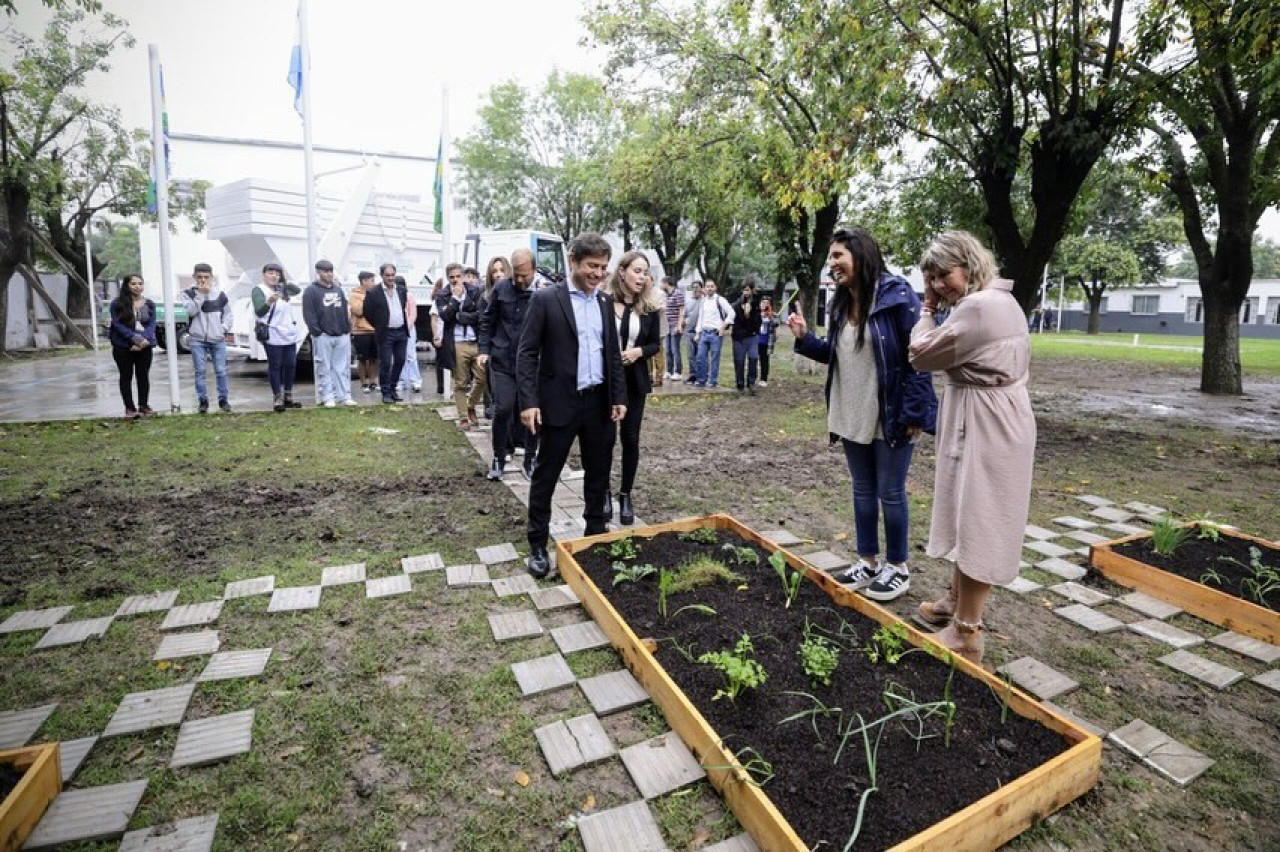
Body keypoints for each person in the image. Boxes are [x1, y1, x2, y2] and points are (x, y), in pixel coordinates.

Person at [788, 227, 937, 603]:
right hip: (851, 409)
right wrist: (806, 338)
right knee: (862, 490)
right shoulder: (841, 301)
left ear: (861, 255)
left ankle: (898, 568)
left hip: (888, 412)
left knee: (890, 491)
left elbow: (918, 357)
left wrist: (915, 411)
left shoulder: (897, 294)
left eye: (839, 256)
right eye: (831, 257)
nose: (833, 264)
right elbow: (840, 355)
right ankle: (868, 561)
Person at [909, 231, 1035, 664]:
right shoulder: (989, 302)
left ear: (969, 264)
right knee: (968, 510)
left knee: (981, 518)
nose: (939, 285)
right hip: (986, 415)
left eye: (944, 274)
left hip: (989, 423)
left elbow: (921, 354)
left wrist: (926, 310)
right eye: (932, 278)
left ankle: (967, 632)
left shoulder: (981, 307)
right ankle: (956, 599)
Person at [517, 233, 627, 578]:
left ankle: (594, 537)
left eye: (603, 268)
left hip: (598, 404)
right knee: (546, 475)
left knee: (598, 474)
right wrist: (529, 402)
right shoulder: (547, 300)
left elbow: (612, 352)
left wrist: (618, 396)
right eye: (592, 266)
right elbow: (527, 353)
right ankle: (537, 543)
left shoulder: (605, 303)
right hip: (559, 403)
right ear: (574, 262)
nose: (598, 274)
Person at [601, 251, 661, 526]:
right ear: (622, 271)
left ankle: (625, 494)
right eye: (637, 270)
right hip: (606, 380)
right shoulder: (602, 302)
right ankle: (603, 491)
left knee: (631, 438)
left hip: (634, 379)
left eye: (645, 272)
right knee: (603, 439)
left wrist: (638, 352)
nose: (642, 276)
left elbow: (655, 345)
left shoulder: (648, 307)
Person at [479, 248, 539, 481]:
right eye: (516, 275)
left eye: (524, 275)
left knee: (533, 411)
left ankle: (530, 458)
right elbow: (487, 320)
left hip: (532, 364)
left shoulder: (543, 293)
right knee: (503, 409)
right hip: (503, 360)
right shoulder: (502, 288)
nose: (520, 280)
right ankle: (498, 455)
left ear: (533, 269)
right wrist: (484, 349)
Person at [437, 263, 487, 427]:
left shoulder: (474, 291)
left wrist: (460, 316)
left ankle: (471, 405)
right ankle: (463, 416)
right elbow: (445, 316)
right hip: (457, 342)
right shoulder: (443, 294)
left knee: (482, 378)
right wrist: (455, 299)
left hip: (475, 340)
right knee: (461, 382)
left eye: (458, 276)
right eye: (452, 277)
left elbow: (480, 315)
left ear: (463, 276)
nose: (455, 280)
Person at [180, 262, 233, 413]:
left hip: (217, 339)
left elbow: (228, 315)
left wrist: (222, 329)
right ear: (194, 277)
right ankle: (203, 401)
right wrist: (201, 295)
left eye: (206, 277)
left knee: (221, 370)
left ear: (211, 277)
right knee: (200, 371)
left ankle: (223, 400)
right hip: (197, 339)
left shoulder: (220, 294)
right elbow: (191, 311)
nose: (203, 280)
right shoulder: (188, 293)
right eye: (199, 277)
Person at [303, 259, 355, 407]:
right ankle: (327, 396)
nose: (329, 274)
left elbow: (345, 309)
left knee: (342, 367)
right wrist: (317, 332)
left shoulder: (338, 289)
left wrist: (346, 329)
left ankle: (343, 395)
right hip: (323, 335)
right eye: (325, 271)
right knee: (324, 367)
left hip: (341, 333)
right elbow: (308, 314)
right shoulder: (311, 291)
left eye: (331, 271)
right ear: (318, 272)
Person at [253, 262, 303, 412]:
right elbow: (259, 311)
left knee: (291, 364)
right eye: (270, 273)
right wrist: (269, 302)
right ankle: (277, 397)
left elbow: (297, 290)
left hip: (288, 333)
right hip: (273, 333)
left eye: (277, 273)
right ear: (264, 275)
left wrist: (283, 282)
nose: (273, 276)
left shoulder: (282, 289)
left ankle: (288, 395)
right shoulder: (258, 290)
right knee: (275, 365)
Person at [108, 273, 156, 419]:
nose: (137, 286)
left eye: (140, 283)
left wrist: (144, 340)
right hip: (123, 346)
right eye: (133, 283)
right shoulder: (117, 304)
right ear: (127, 285)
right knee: (126, 376)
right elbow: (117, 324)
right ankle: (129, 407)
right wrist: (134, 339)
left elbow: (152, 324)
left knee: (143, 376)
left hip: (145, 346)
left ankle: (144, 405)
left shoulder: (149, 304)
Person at [364, 263, 409, 404]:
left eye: (392, 275)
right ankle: (385, 392)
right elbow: (367, 312)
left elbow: (403, 307)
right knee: (385, 363)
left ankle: (393, 387)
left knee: (401, 360)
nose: (390, 278)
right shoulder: (374, 292)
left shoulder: (401, 290)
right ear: (382, 275)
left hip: (401, 330)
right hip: (386, 332)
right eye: (387, 275)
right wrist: (379, 326)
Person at [691, 279, 734, 388]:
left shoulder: (720, 300)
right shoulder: (703, 301)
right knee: (700, 357)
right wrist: (697, 332)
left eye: (711, 286)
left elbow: (731, 313)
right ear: (705, 288)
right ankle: (701, 380)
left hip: (715, 333)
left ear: (715, 288)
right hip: (704, 333)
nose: (709, 288)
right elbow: (701, 318)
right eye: (707, 286)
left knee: (714, 358)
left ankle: (713, 381)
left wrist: (723, 327)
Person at [349, 272, 379, 394]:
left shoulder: (376, 293)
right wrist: (368, 298)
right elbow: (358, 310)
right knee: (362, 359)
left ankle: (373, 382)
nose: (373, 283)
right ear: (363, 281)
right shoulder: (354, 294)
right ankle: (363, 383)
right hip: (361, 331)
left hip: (375, 329)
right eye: (371, 280)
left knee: (374, 358)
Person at [731, 280, 763, 394]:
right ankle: (740, 384)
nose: (746, 292)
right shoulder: (736, 304)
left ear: (752, 290)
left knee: (753, 358)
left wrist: (750, 314)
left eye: (748, 290)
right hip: (739, 337)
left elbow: (758, 323)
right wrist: (744, 313)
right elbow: (733, 319)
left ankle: (751, 383)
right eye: (744, 290)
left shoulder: (756, 304)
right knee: (739, 361)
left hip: (752, 336)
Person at [394, 275, 423, 394]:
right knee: (399, 356)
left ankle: (415, 380)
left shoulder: (409, 296)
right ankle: (401, 381)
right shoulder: (392, 297)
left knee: (411, 356)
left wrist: (407, 327)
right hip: (396, 328)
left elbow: (413, 314)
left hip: (408, 329)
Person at [661, 274, 685, 381]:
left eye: (662, 283)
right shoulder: (666, 295)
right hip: (667, 325)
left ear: (667, 283)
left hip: (675, 324)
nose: (661, 285)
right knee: (668, 349)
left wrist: (679, 325)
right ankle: (669, 371)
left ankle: (678, 371)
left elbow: (681, 310)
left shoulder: (678, 293)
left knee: (675, 349)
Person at [683, 280, 704, 383]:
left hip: (700, 332)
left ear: (701, 288)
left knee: (700, 355)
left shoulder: (704, 301)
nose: (695, 289)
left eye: (697, 287)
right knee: (690, 355)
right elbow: (684, 315)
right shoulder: (688, 301)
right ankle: (693, 375)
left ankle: (701, 375)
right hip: (688, 331)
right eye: (693, 287)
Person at [757, 295, 779, 387]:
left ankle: (763, 379)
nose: (765, 304)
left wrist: (770, 317)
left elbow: (776, 323)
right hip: (756, 340)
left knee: (764, 360)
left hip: (766, 342)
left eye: (767, 303)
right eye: (763, 302)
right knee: (753, 359)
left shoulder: (773, 314)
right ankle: (752, 378)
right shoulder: (756, 313)